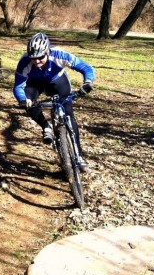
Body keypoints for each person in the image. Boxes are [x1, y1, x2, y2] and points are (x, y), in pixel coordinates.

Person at [13, 32, 95, 172]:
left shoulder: (59, 54)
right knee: (29, 101)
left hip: (58, 81)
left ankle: (79, 156)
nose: (37, 62)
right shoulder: (24, 62)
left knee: (69, 114)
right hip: (35, 84)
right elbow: (18, 86)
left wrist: (88, 82)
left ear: (47, 52)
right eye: (34, 58)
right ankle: (46, 127)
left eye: (40, 57)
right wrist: (22, 99)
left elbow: (86, 68)